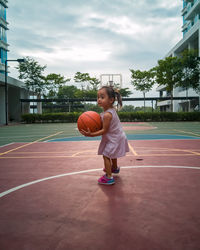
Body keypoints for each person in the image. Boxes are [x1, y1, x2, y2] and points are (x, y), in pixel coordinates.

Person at [81, 85, 129, 185]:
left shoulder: (107, 115)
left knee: (106, 155)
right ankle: (114, 168)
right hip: (117, 137)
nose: (99, 99)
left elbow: (104, 130)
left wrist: (91, 134)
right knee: (112, 154)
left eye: (102, 97)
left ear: (111, 100)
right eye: (98, 97)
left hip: (115, 138)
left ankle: (109, 177)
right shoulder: (108, 111)